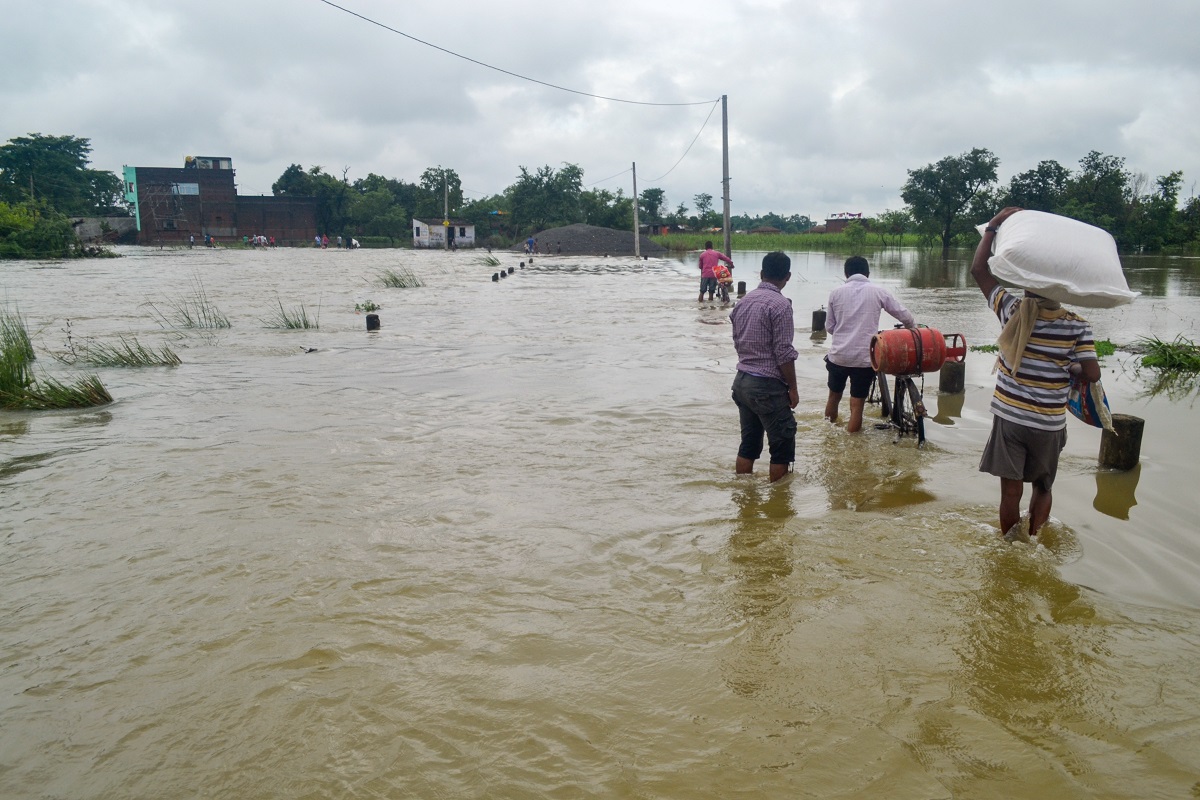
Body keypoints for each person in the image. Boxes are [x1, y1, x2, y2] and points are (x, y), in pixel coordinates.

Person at [971, 206, 1100, 540]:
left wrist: (994, 227)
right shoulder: (1077, 326)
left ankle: (1011, 547)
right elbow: (1092, 373)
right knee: (1043, 488)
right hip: (1049, 423)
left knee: (1010, 492)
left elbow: (979, 271)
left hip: (1010, 418)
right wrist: (1067, 365)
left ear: (1027, 282)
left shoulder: (1012, 310)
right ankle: (1035, 542)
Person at [823, 255, 916, 432]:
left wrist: (844, 334)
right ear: (867, 272)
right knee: (857, 404)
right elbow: (904, 315)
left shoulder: (836, 293)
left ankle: (829, 434)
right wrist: (913, 328)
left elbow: (829, 327)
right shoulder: (878, 291)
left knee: (833, 396)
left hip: (838, 357)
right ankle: (853, 444)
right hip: (864, 359)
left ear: (846, 273)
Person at [729, 251, 799, 482]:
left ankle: (744, 497)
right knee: (782, 445)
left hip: (742, 382)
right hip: (766, 385)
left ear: (761, 274)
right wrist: (792, 388)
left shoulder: (744, 302)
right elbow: (783, 352)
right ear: (787, 277)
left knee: (748, 444)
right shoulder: (781, 306)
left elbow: (738, 339)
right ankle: (778, 506)